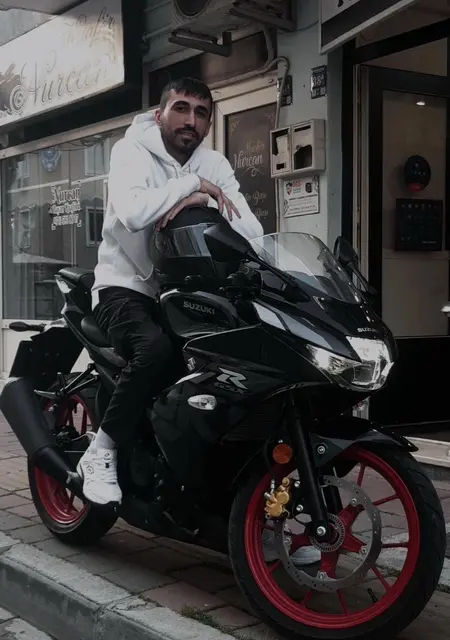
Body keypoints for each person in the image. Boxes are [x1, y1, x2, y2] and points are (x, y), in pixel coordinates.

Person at [77, 77, 320, 566]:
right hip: (125, 288)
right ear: (160, 114)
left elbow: (250, 229)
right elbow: (134, 212)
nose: (191, 121)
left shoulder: (215, 162)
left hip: (189, 293)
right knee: (155, 351)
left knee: (230, 381)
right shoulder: (130, 152)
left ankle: (237, 510)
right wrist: (192, 186)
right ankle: (99, 451)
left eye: (201, 113)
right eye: (181, 109)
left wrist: (206, 199)